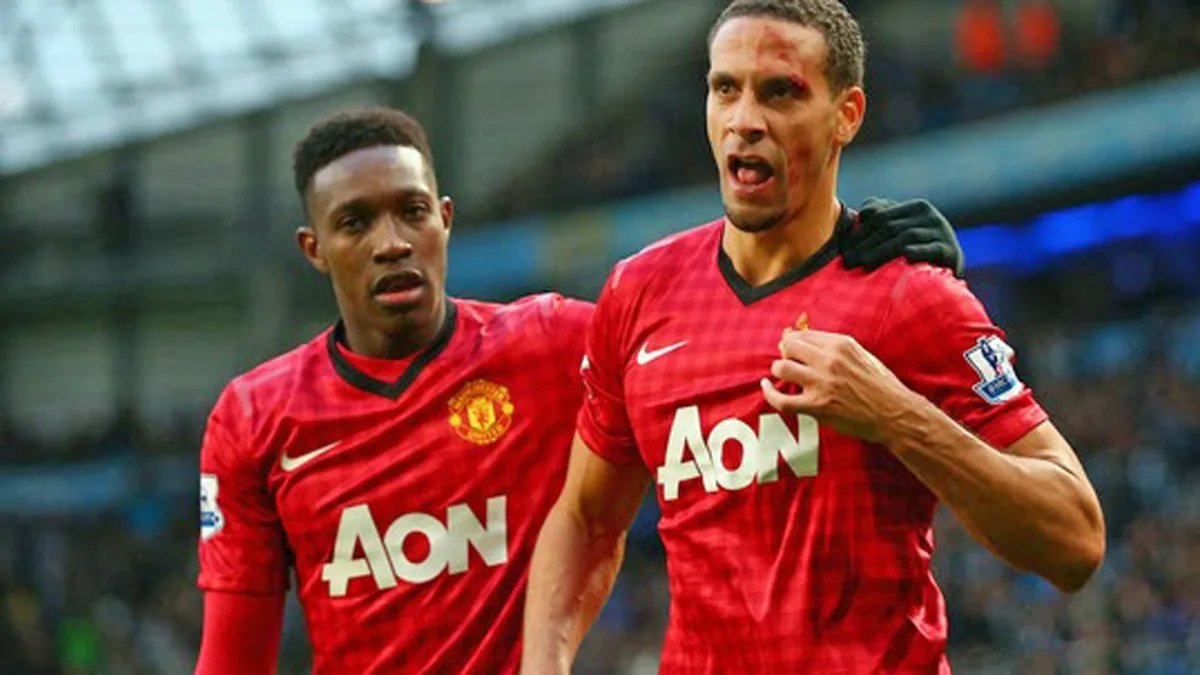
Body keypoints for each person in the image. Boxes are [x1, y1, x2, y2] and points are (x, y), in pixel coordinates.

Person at [193, 106, 966, 674]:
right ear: (314, 249)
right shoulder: (258, 418)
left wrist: (856, 257)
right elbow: (232, 659)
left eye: (412, 211)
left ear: (446, 219)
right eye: (355, 223)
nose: (392, 241)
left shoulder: (551, 344)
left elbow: (717, 334)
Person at [520, 1, 1106, 673]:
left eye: (781, 92)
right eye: (725, 89)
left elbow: (1076, 539)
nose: (746, 120)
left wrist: (895, 415)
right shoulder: (639, 292)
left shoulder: (910, 299)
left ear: (846, 116)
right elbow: (587, 518)